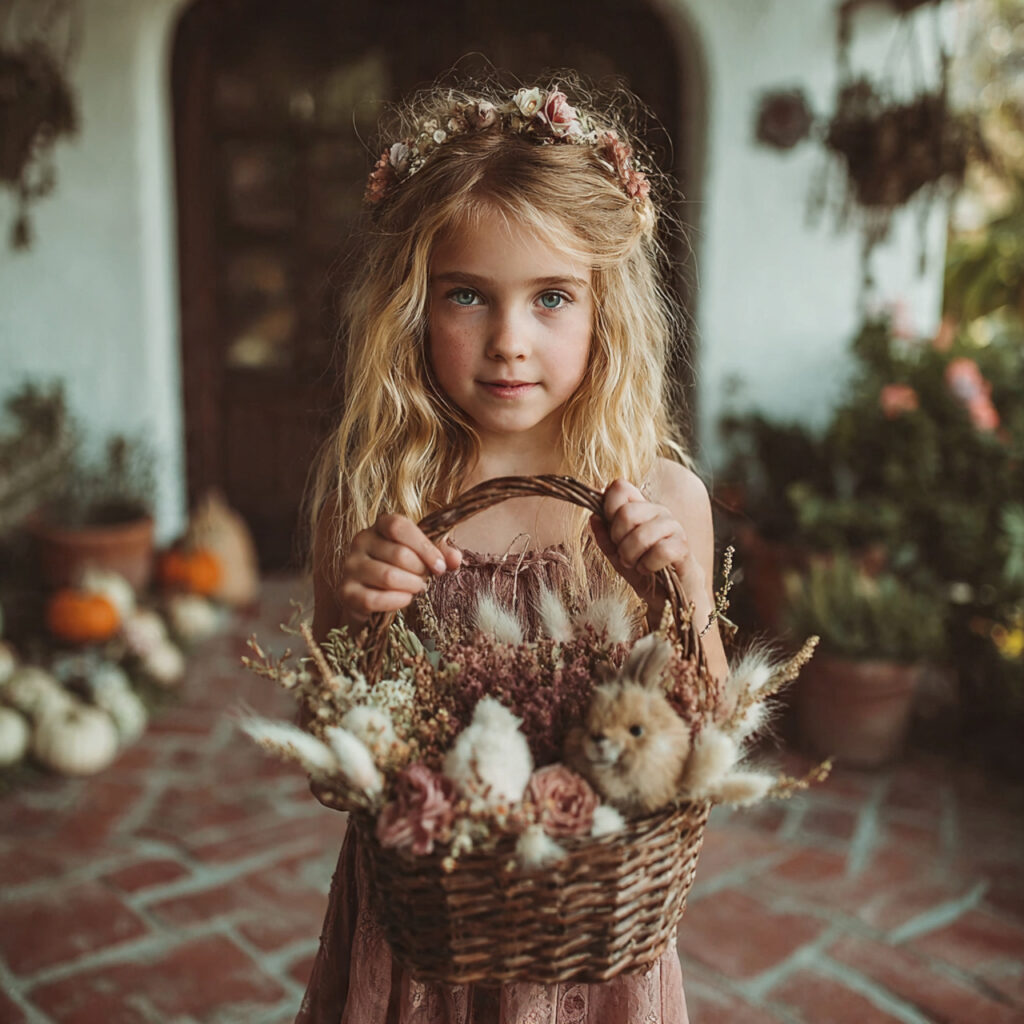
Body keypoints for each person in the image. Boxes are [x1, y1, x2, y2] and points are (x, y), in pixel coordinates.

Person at [298, 75, 728, 1024]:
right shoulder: (379, 500)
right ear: (411, 304)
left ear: (606, 306)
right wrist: (353, 607)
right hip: (421, 931)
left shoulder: (659, 498)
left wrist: (681, 587)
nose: (508, 342)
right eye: (467, 296)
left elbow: (712, 735)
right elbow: (329, 765)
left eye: (551, 298)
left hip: (591, 935)